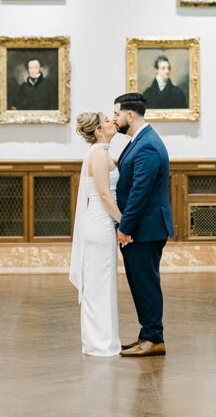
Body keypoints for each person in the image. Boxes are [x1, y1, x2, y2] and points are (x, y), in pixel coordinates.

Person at [113, 92, 173, 357]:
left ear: (130, 115)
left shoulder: (147, 144)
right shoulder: (138, 140)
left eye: (116, 114)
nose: (114, 120)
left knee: (146, 283)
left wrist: (125, 227)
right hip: (143, 227)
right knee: (140, 283)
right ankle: (146, 335)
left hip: (145, 228)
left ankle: (154, 338)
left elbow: (140, 191)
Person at [69, 111, 123, 357]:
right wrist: (125, 223)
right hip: (100, 224)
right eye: (108, 121)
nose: (113, 121)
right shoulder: (99, 154)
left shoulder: (101, 152)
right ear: (99, 130)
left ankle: (102, 341)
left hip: (99, 224)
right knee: (99, 286)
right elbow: (103, 195)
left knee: (102, 284)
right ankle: (100, 343)